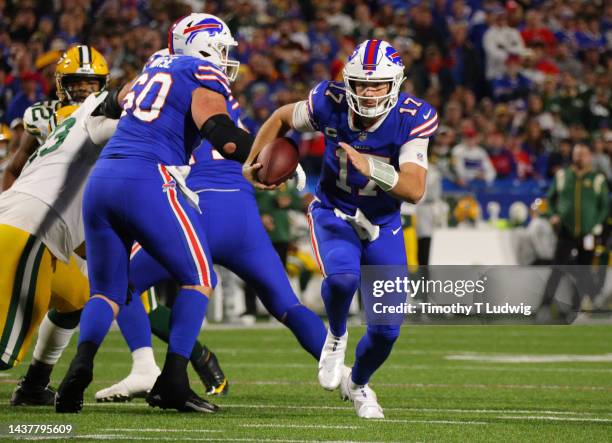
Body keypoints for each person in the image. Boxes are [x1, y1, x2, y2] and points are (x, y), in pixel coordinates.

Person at [95, 48, 327, 403]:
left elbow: (130, 114)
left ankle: (149, 365)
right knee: (287, 304)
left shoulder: (172, 91)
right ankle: (349, 378)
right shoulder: (221, 102)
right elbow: (239, 144)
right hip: (243, 219)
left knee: (117, 286)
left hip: (195, 208)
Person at [54, 13, 252, 414]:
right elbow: (224, 138)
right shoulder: (201, 72)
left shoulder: (151, 68)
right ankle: (174, 382)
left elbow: (112, 102)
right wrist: (266, 152)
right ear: (205, 46)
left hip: (104, 179)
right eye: (222, 48)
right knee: (198, 277)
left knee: (107, 290)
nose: (226, 57)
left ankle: (76, 374)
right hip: (148, 178)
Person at [243, 39, 436, 419]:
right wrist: (252, 161)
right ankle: (335, 336)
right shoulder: (327, 101)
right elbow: (282, 117)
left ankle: (359, 384)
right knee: (343, 279)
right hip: (335, 211)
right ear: (348, 81)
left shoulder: (413, 115)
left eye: (377, 84)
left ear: (394, 83)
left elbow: (414, 189)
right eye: (361, 84)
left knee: (386, 332)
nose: (367, 92)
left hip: (383, 224)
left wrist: (373, 167)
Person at [3, 46, 110, 407]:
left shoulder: (86, 117)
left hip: (53, 227)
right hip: (29, 223)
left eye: (89, 82)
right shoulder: (62, 118)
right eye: (76, 82)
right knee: (8, 338)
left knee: (77, 296)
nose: (82, 89)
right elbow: (17, 168)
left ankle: (34, 386)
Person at [539, 144, 609, 322]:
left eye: (583, 154)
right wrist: (552, 215)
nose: (579, 158)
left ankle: (576, 308)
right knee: (557, 268)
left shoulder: (597, 179)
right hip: (566, 231)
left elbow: (604, 206)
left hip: (588, 233)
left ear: (589, 157)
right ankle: (545, 305)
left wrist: (596, 224)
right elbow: (550, 200)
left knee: (584, 271)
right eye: (577, 154)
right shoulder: (563, 176)